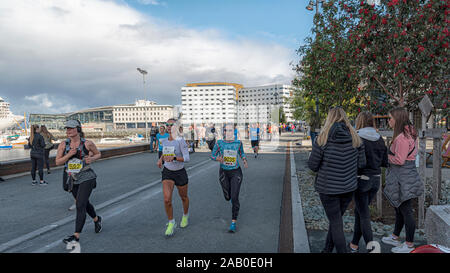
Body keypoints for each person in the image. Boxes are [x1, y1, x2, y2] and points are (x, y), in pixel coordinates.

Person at [308, 107, 366, 253]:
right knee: (336, 220)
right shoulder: (356, 139)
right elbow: (362, 164)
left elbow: (313, 166)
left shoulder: (322, 139)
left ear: (329, 118)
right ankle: (327, 249)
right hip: (348, 188)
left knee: (336, 222)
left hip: (328, 188)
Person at [382, 107, 424, 253]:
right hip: (407, 175)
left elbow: (399, 160)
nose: (389, 121)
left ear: (397, 120)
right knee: (400, 208)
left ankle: (409, 244)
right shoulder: (410, 134)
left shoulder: (402, 138)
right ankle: (395, 237)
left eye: (390, 118)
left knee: (406, 210)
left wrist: (385, 156)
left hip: (403, 178)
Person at [55, 120, 102, 245]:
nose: (68, 131)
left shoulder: (87, 143)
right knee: (84, 203)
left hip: (87, 176)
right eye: (67, 129)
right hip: (72, 178)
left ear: (78, 129)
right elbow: (58, 162)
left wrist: (91, 158)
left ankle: (76, 236)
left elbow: (98, 154)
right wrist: (69, 154)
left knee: (80, 205)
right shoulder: (63, 145)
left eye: (71, 128)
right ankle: (97, 219)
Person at [349, 112, 388, 253]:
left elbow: (354, 162)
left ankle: (372, 249)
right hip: (375, 180)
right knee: (360, 212)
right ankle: (354, 244)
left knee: (364, 215)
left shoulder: (357, 137)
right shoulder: (380, 138)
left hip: (361, 180)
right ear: (372, 122)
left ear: (359, 122)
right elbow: (385, 162)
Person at [211, 123, 248, 232]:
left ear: (234, 132)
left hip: (236, 172)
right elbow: (212, 156)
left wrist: (244, 160)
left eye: (231, 130)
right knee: (228, 197)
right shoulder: (219, 143)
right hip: (224, 173)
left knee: (235, 197)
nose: (228, 132)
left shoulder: (238, 143)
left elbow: (241, 153)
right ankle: (231, 198)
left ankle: (233, 222)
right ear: (224, 132)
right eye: (226, 130)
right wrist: (218, 159)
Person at [157, 118, 190, 236]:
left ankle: (185, 215)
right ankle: (171, 222)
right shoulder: (164, 140)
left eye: (172, 125)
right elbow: (164, 153)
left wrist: (175, 158)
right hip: (168, 172)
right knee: (167, 199)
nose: (169, 126)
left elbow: (187, 158)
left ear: (176, 127)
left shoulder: (181, 141)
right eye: (167, 125)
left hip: (180, 172)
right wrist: (160, 160)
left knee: (184, 197)